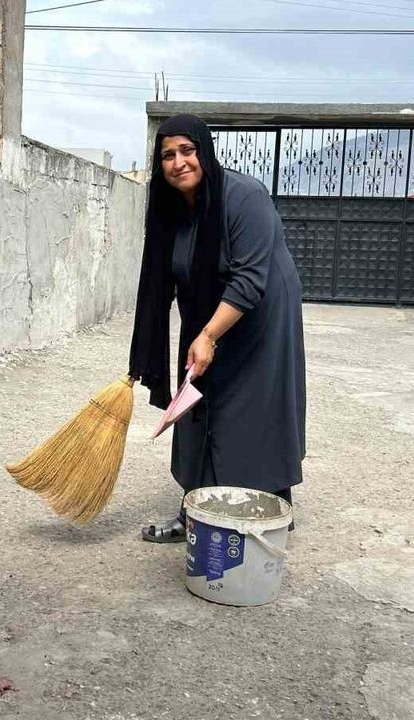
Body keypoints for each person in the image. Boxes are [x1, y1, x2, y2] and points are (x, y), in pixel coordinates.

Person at [128, 114, 307, 542]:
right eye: (168, 154)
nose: (178, 163)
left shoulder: (244, 196)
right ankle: (196, 510)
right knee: (196, 401)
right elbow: (159, 282)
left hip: (262, 311)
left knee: (253, 406)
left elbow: (249, 277)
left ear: (204, 152)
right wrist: (143, 355)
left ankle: (271, 507)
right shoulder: (169, 208)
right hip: (203, 308)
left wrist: (209, 335)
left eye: (187, 151)